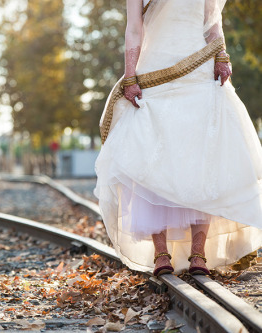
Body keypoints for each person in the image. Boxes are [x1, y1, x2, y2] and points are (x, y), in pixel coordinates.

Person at [94, 0, 262, 276]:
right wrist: (130, 75)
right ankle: (161, 255)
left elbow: (212, 23)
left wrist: (222, 56)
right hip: (155, 75)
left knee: (203, 158)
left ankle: (199, 255)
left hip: (199, 72)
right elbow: (134, 29)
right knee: (151, 160)